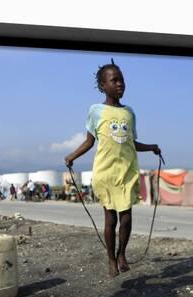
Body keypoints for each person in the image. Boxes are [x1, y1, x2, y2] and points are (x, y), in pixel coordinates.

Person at [65, 59, 161, 278]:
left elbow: (130, 143)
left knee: (126, 217)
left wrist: (151, 147)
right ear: (102, 86)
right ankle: (110, 259)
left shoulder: (130, 112)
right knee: (111, 219)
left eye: (122, 80)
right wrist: (72, 155)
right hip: (106, 172)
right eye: (114, 80)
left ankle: (122, 254)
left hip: (127, 171)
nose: (120, 84)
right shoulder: (96, 110)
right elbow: (90, 141)